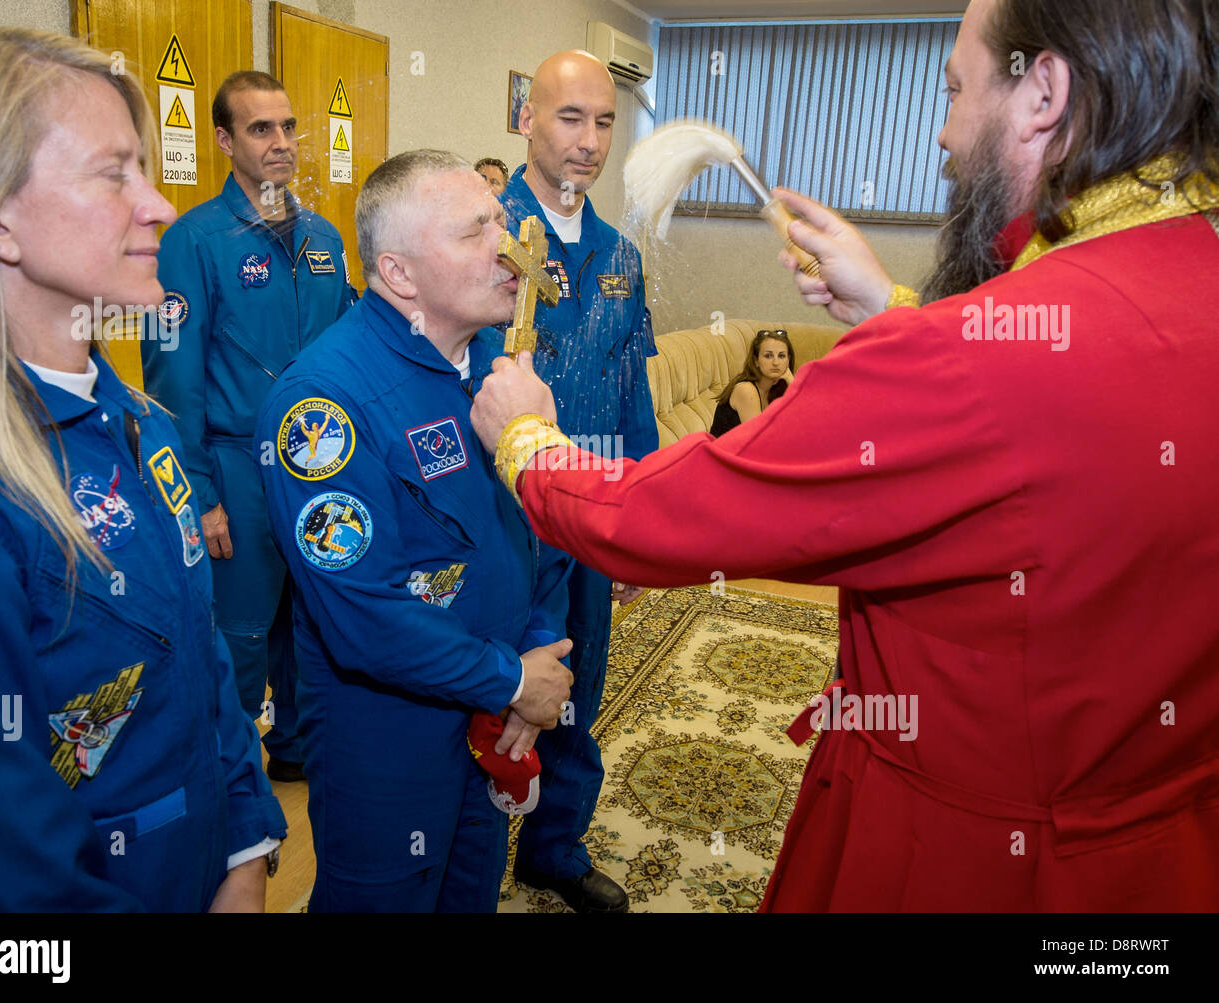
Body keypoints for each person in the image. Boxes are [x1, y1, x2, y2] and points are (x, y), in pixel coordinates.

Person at [472, 0, 1219, 911]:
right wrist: (896, 313)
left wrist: (524, 439)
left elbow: (674, 512)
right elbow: (1050, 412)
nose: (943, 135)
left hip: (959, 857)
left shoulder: (964, 357)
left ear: (1044, 93)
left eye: (954, 89)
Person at [0, 26, 286, 911]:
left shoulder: (138, 422)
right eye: (113, 173)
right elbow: (9, 892)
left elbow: (203, 668)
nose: (158, 206)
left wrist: (248, 844)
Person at [255, 149, 574, 912]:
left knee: (470, 894)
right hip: (387, 742)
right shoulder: (322, 404)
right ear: (399, 275)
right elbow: (364, 617)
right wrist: (515, 680)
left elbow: (540, 532)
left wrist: (537, 657)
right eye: (477, 233)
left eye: (501, 219)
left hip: (492, 721)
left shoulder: (503, 370)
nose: (509, 246)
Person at [142, 71, 356, 783]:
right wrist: (198, 496)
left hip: (322, 461)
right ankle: (227, 793)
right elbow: (174, 384)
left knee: (314, 617)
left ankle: (295, 750)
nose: (282, 142)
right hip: (234, 469)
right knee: (239, 636)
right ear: (225, 140)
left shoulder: (325, 237)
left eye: (290, 127)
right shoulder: (194, 241)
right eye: (262, 129)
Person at [497, 49, 658, 913]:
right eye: (570, 118)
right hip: (497, 517)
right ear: (527, 119)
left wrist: (639, 520)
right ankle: (458, 846)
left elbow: (634, 399)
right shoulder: (483, 235)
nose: (589, 140)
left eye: (604, 121)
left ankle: (553, 846)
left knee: (577, 687)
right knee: (490, 688)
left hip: (589, 512)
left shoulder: (622, 259)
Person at [709, 329, 794, 437]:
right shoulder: (746, 390)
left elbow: (804, 423)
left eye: (781, 356)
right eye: (768, 356)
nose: (776, 362)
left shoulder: (776, 389)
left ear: (788, 360)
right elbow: (759, 441)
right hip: (721, 452)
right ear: (756, 360)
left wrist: (792, 383)